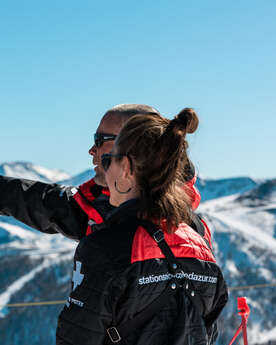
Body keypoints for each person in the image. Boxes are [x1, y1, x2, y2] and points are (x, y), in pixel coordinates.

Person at [55, 108, 228, 345]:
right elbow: (208, 332)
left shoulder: (104, 246)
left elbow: (76, 337)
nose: (105, 171)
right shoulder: (200, 243)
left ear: (125, 168)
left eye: (108, 161)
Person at [0, 104, 174, 241]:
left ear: (133, 146)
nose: (91, 150)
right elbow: (16, 196)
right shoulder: (94, 209)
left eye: (101, 140)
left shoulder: (175, 228)